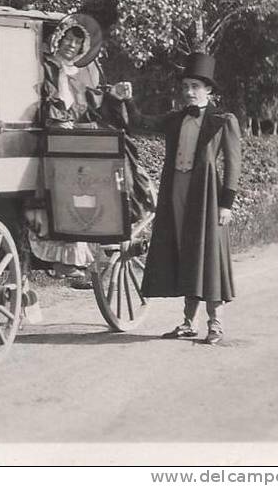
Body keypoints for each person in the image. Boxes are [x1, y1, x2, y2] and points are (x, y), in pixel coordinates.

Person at [111, 53, 242, 346]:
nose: (189, 92)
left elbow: (234, 165)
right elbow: (139, 123)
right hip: (176, 192)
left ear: (209, 90)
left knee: (208, 256)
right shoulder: (176, 119)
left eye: (196, 86)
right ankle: (188, 322)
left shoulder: (223, 121)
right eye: (186, 86)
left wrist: (226, 205)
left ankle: (216, 323)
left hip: (206, 195)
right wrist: (126, 100)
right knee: (185, 251)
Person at [30, 15, 156, 280]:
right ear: (57, 39)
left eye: (77, 42)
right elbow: (40, 100)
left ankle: (106, 224)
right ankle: (62, 251)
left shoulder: (81, 75)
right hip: (48, 137)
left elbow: (92, 106)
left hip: (75, 137)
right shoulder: (43, 68)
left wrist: (114, 95)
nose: (71, 46)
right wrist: (54, 118)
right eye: (67, 39)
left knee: (114, 152)